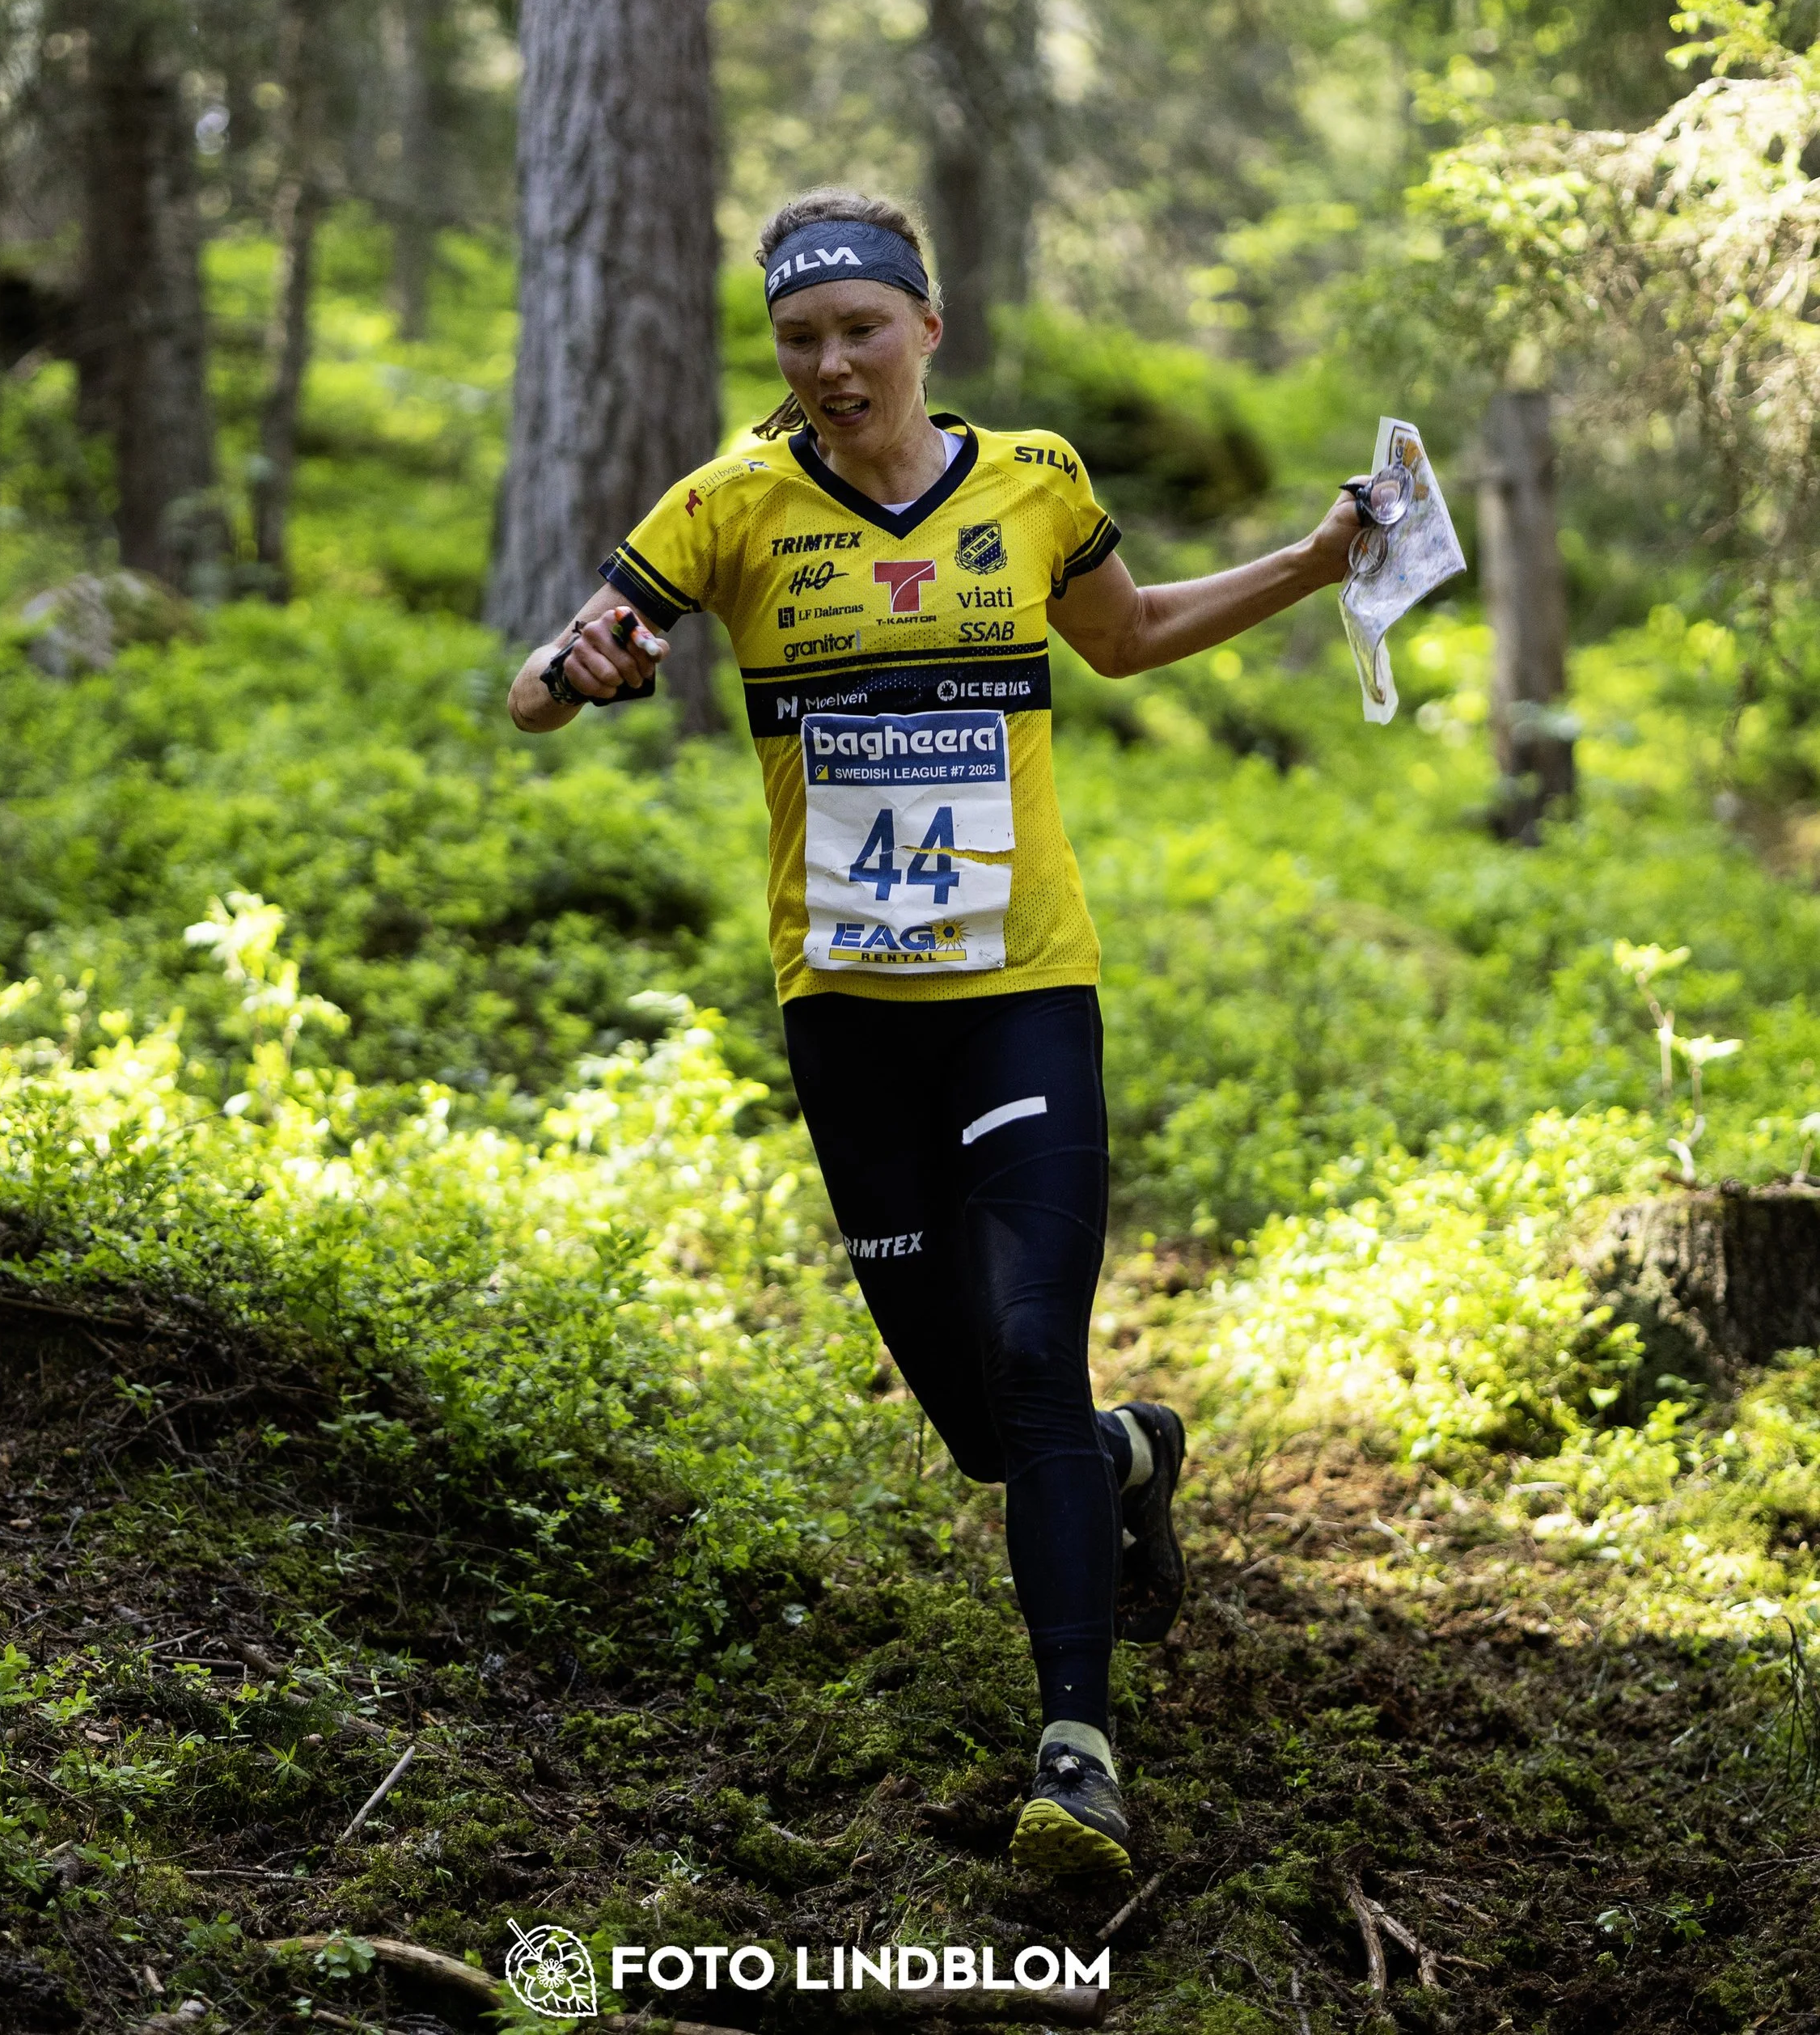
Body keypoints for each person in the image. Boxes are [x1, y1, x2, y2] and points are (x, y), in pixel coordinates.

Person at [509, 189, 1362, 1881]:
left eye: (859, 330)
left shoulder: (1032, 484)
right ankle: (1127, 1457)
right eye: (800, 340)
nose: (832, 365)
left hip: (1023, 990)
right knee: (988, 1426)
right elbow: (546, 685)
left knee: (1033, 1343)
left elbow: (1124, 640)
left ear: (926, 327)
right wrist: (579, 652)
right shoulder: (731, 502)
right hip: (847, 1017)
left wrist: (1316, 558)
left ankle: (1075, 1746)